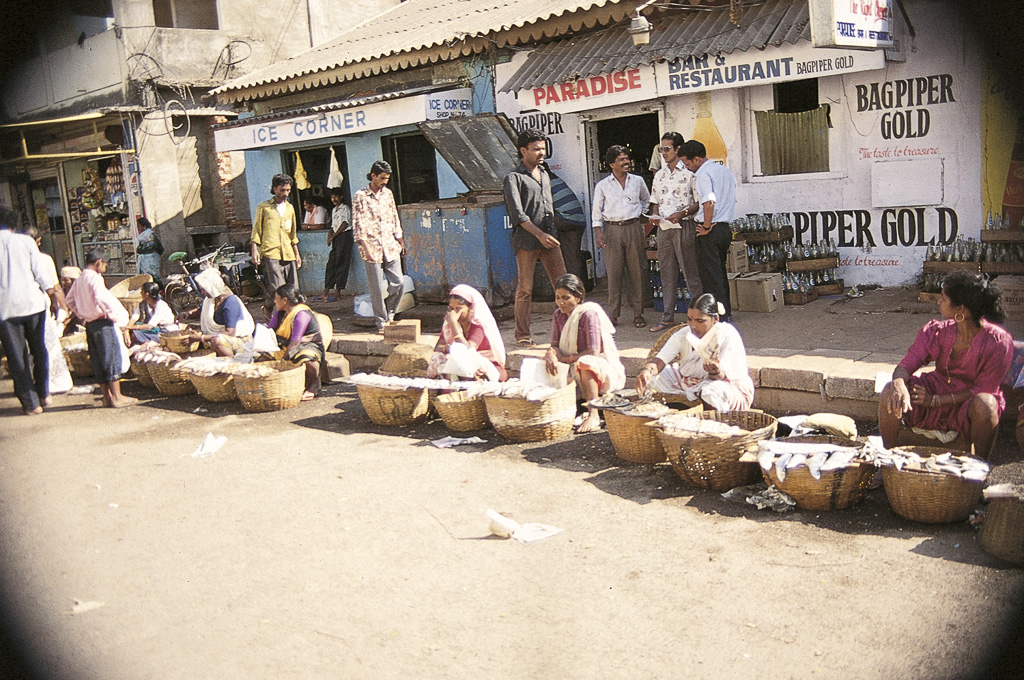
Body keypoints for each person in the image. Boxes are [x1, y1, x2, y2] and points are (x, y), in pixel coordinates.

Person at [879, 272, 1013, 460]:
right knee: (889, 392)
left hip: (968, 402)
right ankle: (887, 459)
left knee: (986, 404)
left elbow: (981, 389)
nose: (939, 302)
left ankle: (981, 465)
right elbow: (907, 364)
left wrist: (935, 400)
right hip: (936, 389)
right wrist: (899, 384)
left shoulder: (999, 342)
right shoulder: (937, 331)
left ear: (961, 310)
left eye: (943, 298)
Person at [0, 208, 69, 414]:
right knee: (39, 349)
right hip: (33, 304)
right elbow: (42, 274)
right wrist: (55, 297)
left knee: (16, 356)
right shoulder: (26, 241)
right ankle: (44, 394)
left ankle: (31, 403)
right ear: (13, 225)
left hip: (6, 309)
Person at [635, 293, 754, 412]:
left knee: (710, 392)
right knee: (655, 378)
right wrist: (647, 371)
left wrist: (715, 371)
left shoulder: (726, 335)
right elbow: (660, 360)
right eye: (689, 319)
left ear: (715, 319)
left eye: (700, 321)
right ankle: (681, 410)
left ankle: (708, 421)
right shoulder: (683, 334)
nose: (693, 325)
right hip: (690, 383)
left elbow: (725, 377)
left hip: (727, 388)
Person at [503, 128, 567, 347]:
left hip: (549, 238)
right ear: (523, 150)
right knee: (525, 290)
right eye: (536, 149)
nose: (541, 153)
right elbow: (518, 215)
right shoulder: (514, 178)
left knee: (565, 285)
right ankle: (522, 334)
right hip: (527, 241)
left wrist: (551, 233)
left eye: (543, 148)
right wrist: (540, 235)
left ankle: (571, 331)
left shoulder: (545, 174)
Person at [546, 273, 625, 433]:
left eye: (566, 297)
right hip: (569, 361)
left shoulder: (588, 314)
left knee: (585, 363)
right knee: (545, 363)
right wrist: (550, 353)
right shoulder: (558, 315)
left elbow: (594, 351)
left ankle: (593, 414)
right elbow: (555, 344)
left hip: (597, 364)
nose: (561, 302)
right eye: (558, 297)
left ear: (578, 296)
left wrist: (567, 358)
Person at [65, 249, 137, 408]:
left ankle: (107, 397)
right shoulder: (95, 278)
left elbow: (69, 300)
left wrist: (82, 313)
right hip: (103, 323)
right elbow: (100, 298)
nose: (105, 267)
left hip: (90, 324)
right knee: (110, 358)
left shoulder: (80, 279)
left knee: (97, 360)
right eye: (105, 264)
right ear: (98, 262)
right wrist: (111, 314)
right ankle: (117, 396)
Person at [648, 132, 703, 333]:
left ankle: (699, 317)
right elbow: (655, 202)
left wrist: (682, 213)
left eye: (666, 149)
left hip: (684, 226)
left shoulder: (690, 174)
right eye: (661, 149)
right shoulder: (659, 176)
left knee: (690, 273)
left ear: (678, 149)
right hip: (664, 228)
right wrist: (654, 215)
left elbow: (699, 202)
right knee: (666, 272)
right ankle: (667, 316)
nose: (663, 153)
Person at [592, 144, 650, 329]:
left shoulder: (638, 181)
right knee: (614, 273)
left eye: (627, 158)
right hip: (612, 230)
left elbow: (647, 200)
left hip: (634, 227)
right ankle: (613, 315)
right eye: (621, 160)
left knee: (637, 272)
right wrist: (599, 233)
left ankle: (638, 313)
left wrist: (642, 218)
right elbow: (596, 211)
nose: (626, 162)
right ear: (611, 164)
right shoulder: (602, 186)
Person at [680, 139, 737, 321]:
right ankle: (725, 312)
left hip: (711, 230)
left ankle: (718, 317)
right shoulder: (723, 170)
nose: (687, 167)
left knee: (711, 278)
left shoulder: (703, 174)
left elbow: (709, 201)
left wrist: (705, 226)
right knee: (719, 273)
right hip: (724, 229)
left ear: (696, 159)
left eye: (688, 163)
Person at [352, 161, 406, 332]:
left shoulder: (388, 194)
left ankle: (390, 312)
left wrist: (400, 240)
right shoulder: (360, 196)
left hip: (390, 245)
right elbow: (358, 224)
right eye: (382, 178)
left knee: (398, 282)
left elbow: (394, 216)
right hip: (371, 247)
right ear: (373, 175)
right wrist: (366, 248)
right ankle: (381, 321)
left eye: (387, 179)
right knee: (376, 288)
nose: (384, 182)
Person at [23, 226, 73, 395]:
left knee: (31, 346)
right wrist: (64, 307)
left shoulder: (15, 258)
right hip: (40, 305)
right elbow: (55, 287)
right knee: (48, 344)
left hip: (21, 307)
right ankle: (53, 382)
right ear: (38, 241)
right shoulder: (43, 258)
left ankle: (35, 384)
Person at [426, 284, 508, 382]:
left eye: (458, 309)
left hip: (486, 366)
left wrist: (454, 324)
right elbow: (439, 347)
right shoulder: (448, 326)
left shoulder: (478, 326)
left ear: (471, 309)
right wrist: (450, 348)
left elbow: (467, 351)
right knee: (438, 358)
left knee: (465, 364)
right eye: (451, 308)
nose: (454, 313)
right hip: (460, 364)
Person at [251, 173, 302, 316]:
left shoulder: (290, 208)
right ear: (274, 189)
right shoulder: (264, 208)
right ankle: (271, 309)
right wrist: (254, 249)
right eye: (282, 190)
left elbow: (292, 234)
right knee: (278, 288)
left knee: (293, 287)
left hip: (288, 251)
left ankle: (291, 316)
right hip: (271, 251)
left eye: (288, 190)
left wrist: (297, 254)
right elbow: (257, 230)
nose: (285, 193)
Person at [268, 284, 325, 401]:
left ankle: (314, 384)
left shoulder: (301, 314)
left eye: (276, 298)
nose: (274, 301)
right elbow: (270, 330)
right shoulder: (280, 313)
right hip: (284, 345)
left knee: (306, 357)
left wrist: (283, 362)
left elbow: (295, 342)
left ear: (285, 300)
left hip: (306, 345)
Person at [191, 268, 255, 357]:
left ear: (212, 287)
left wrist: (202, 338)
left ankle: (232, 364)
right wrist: (185, 315)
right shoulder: (211, 300)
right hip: (221, 338)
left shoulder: (230, 302)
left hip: (240, 341)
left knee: (217, 340)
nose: (202, 293)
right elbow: (199, 312)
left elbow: (230, 332)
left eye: (204, 289)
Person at [321, 188, 353, 301]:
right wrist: (330, 237)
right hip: (336, 238)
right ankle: (326, 291)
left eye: (336, 197)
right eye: (332, 197)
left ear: (341, 197)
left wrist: (334, 236)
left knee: (341, 264)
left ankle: (338, 292)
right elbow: (332, 226)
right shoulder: (334, 210)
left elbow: (345, 223)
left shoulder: (345, 208)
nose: (334, 199)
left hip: (344, 237)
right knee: (331, 263)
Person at [135, 217, 163, 283]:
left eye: (139, 226)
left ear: (144, 226)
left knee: (154, 276)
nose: (138, 228)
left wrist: (142, 250)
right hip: (146, 260)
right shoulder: (143, 235)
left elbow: (154, 246)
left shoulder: (148, 234)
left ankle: (159, 290)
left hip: (150, 259)